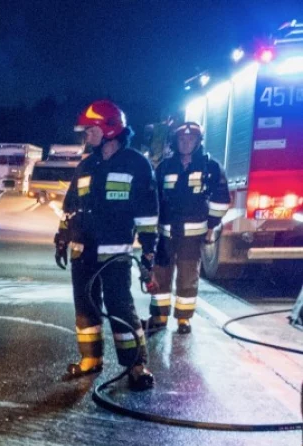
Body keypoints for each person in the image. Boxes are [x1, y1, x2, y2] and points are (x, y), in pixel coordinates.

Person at [55, 100, 158, 391]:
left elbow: (147, 214)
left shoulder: (136, 164)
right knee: (85, 306)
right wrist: (61, 237)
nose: (86, 135)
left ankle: (136, 366)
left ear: (109, 129)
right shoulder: (86, 165)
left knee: (120, 306)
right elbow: (70, 206)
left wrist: (149, 251)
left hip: (115, 253)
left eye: (91, 129)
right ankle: (91, 359)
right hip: (82, 249)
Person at [147, 122, 230, 334]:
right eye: (182, 139)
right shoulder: (165, 167)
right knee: (161, 275)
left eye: (190, 139)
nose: (186, 143)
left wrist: (211, 227)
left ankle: (183, 319)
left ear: (198, 141)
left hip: (192, 236)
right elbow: (153, 199)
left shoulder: (211, 167)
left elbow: (221, 199)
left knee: (187, 277)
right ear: (176, 142)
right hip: (165, 234)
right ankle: (159, 316)